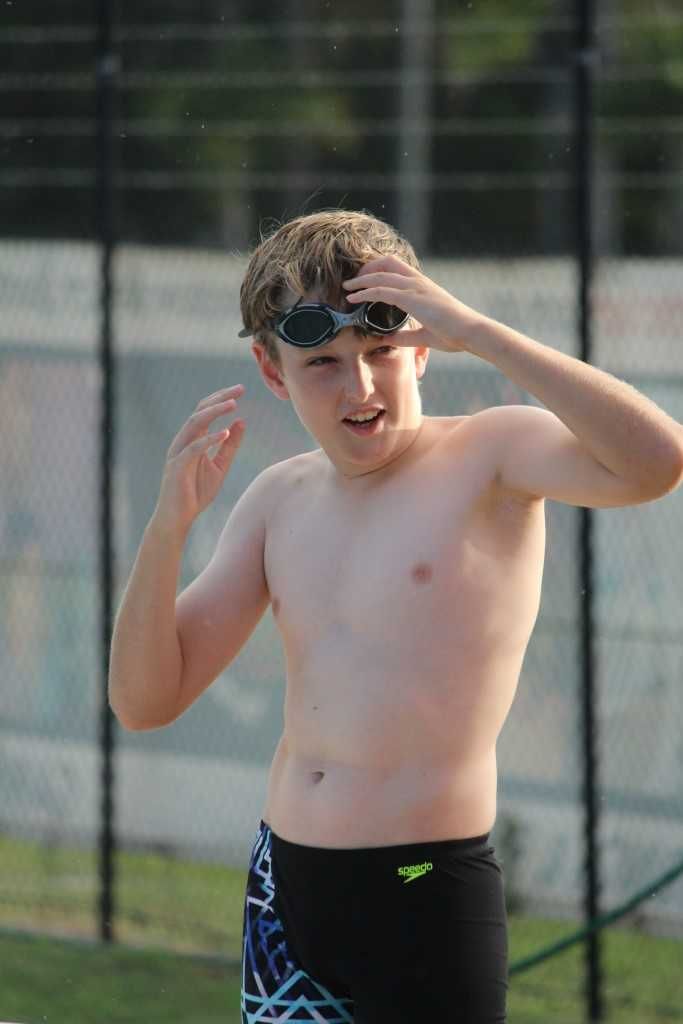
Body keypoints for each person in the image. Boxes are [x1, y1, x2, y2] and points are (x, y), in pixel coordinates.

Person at [108, 210, 683, 1023]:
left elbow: (656, 462)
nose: (360, 387)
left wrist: (478, 332)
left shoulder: (491, 456)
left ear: (421, 348)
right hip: (284, 893)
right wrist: (167, 529)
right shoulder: (277, 500)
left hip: (423, 891)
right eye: (323, 364)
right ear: (273, 372)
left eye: (380, 352)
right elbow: (144, 701)